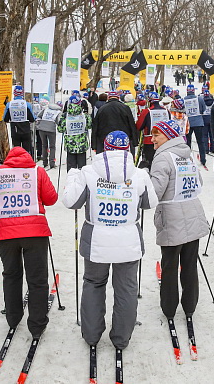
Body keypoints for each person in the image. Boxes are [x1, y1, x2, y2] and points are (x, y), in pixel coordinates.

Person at [62, 131, 157, 353]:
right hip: (128, 242)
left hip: (97, 242)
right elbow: (150, 202)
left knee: (94, 284)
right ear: (128, 151)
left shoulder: (88, 172)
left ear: (104, 148)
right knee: (126, 289)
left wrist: (72, 177)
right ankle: (122, 338)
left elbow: (70, 201)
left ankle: (92, 335)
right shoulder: (138, 174)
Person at [0, 145, 58, 337]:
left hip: (5, 233)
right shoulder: (37, 171)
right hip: (35, 232)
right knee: (38, 279)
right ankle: (37, 324)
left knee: (11, 275)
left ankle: (13, 317)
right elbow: (51, 199)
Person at [149, 120, 209, 322]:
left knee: (170, 266)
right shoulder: (187, 155)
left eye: (156, 135)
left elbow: (154, 192)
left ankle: (169, 308)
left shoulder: (163, 158)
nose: (153, 139)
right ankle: (190, 306)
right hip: (193, 214)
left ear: (167, 136)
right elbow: (198, 182)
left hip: (172, 218)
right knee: (190, 264)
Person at [135, 92, 170, 169]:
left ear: (149, 101)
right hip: (165, 141)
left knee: (149, 162)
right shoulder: (166, 111)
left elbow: (139, 126)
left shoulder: (147, 111)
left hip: (150, 141)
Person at [58, 95, 92, 171]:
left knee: (71, 169)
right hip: (82, 145)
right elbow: (89, 126)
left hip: (70, 145)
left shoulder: (65, 116)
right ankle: (82, 182)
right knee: (82, 168)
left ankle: (71, 181)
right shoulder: (85, 116)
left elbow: (60, 129)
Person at [3, 86, 36, 155]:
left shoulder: (9, 104)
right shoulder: (27, 104)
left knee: (17, 151)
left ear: (14, 94)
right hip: (26, 130)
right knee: (26, 151)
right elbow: (32, 119)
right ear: (22, 94)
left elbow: (5, 119)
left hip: (15, 130)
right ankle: (25, 164)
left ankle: (18, 164)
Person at [184, 85, 207, 169]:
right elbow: (203, 109)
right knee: (200, 142)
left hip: (188, 123)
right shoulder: (199, 99)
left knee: (188, 142)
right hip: (198, 122)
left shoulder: (184, 100)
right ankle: (203, 159)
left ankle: (187, 159)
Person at [36, 99, 62, 169]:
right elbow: (58, 121)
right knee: (52, 146)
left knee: (44, 145)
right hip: (51, 130)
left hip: (42, 128)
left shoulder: (46, 108)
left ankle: (45, 162)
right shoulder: (58, 112)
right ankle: (52, 163)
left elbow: (39, 115)